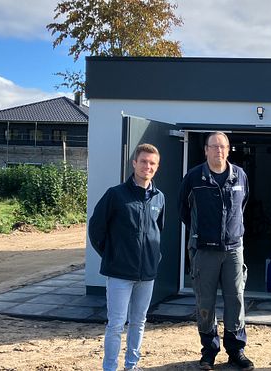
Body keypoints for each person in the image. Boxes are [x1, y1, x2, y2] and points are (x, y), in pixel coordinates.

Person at [179, 132, 253, 371]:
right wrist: (203, 234)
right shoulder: (193, 177)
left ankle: (236, 351)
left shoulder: (239, 175)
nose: (219, 150)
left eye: (223, 146)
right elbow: (184, 211)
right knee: (205, 302)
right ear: (206, 150)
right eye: (214, 146)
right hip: (204, 251)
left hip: (233, 249)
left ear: (229, 149)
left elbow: (243, 205)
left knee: (236, 300)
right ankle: (209, 352)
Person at [88, 143, 166, 371]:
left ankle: (131, 365)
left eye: (152, 163)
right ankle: (110, 368)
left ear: (157, 167)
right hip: (119, 273)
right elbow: (96, 229)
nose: (147, 167)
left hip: (147, 274)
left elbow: (158, 232)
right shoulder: (116, 195)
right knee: (115, 325)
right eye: (143, 161)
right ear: (134, 163)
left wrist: (154, 258)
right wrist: (111, 255)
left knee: (139, 322)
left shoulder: (160, 198)